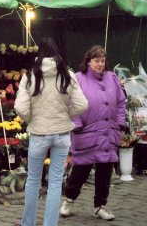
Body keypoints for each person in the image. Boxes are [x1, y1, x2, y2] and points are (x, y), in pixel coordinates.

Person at [15, 37, 88, 226]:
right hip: (62, 134)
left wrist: (32, 119)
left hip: (39, 135)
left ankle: (28, 223)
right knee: (55, 182)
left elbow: (21, 109)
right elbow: (82, 104)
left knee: (33, 181)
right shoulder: (68, 75)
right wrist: (66, 115)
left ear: (39, 53)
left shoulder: (29, 76)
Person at [60, 45, 126, 221]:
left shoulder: (112, 78)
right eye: (96, 60)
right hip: (87, 132)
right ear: (88, 61)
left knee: (105, 172)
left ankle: (100, 206)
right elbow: (69, 103)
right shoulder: (78, 79)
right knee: (81, 169)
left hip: (108, 132)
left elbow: (120, 102)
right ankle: (69, 200)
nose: (100, 64)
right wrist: (76, 122)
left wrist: (120, 122)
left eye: (102, 60)